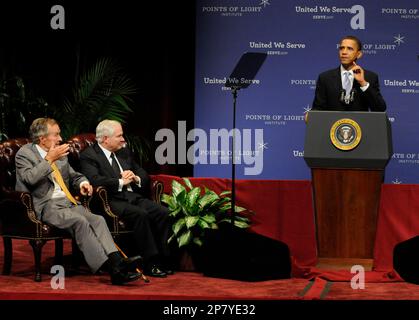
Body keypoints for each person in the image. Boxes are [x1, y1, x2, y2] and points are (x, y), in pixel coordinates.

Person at [15, 118, 143, 285]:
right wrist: (49, 160)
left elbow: (74, 175)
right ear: (42, 138)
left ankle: (117, 259)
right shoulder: (25, 154)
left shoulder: (59, 153)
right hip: (46, 205)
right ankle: (114, 269)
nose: (61, 138)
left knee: (97, 219)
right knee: (79, 221)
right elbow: (29, 179)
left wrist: (83, 183)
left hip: (68, 201)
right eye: (56, 134)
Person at [79, 120, 172, 277]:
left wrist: (135, 177)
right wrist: (121, 182)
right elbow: (94, 180)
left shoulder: (123, 151)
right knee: (140, 214)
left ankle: (165, 260)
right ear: (105, 138)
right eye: (119, 136)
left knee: (164, 213)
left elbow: (142, 173)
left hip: (132, 196)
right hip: (110, 200)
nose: (123, 139)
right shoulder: (89, 155)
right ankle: (150, 263)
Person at [312, 35, 387, 112]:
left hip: (360, 123)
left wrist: (362, 82)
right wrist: (310, 116)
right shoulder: (325, 78)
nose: (344, 52)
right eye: (341, 48)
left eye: (349, 49)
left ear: (359, 54)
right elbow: (317, 109)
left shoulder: (370, 77)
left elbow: (380, 109)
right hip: (333, 124)